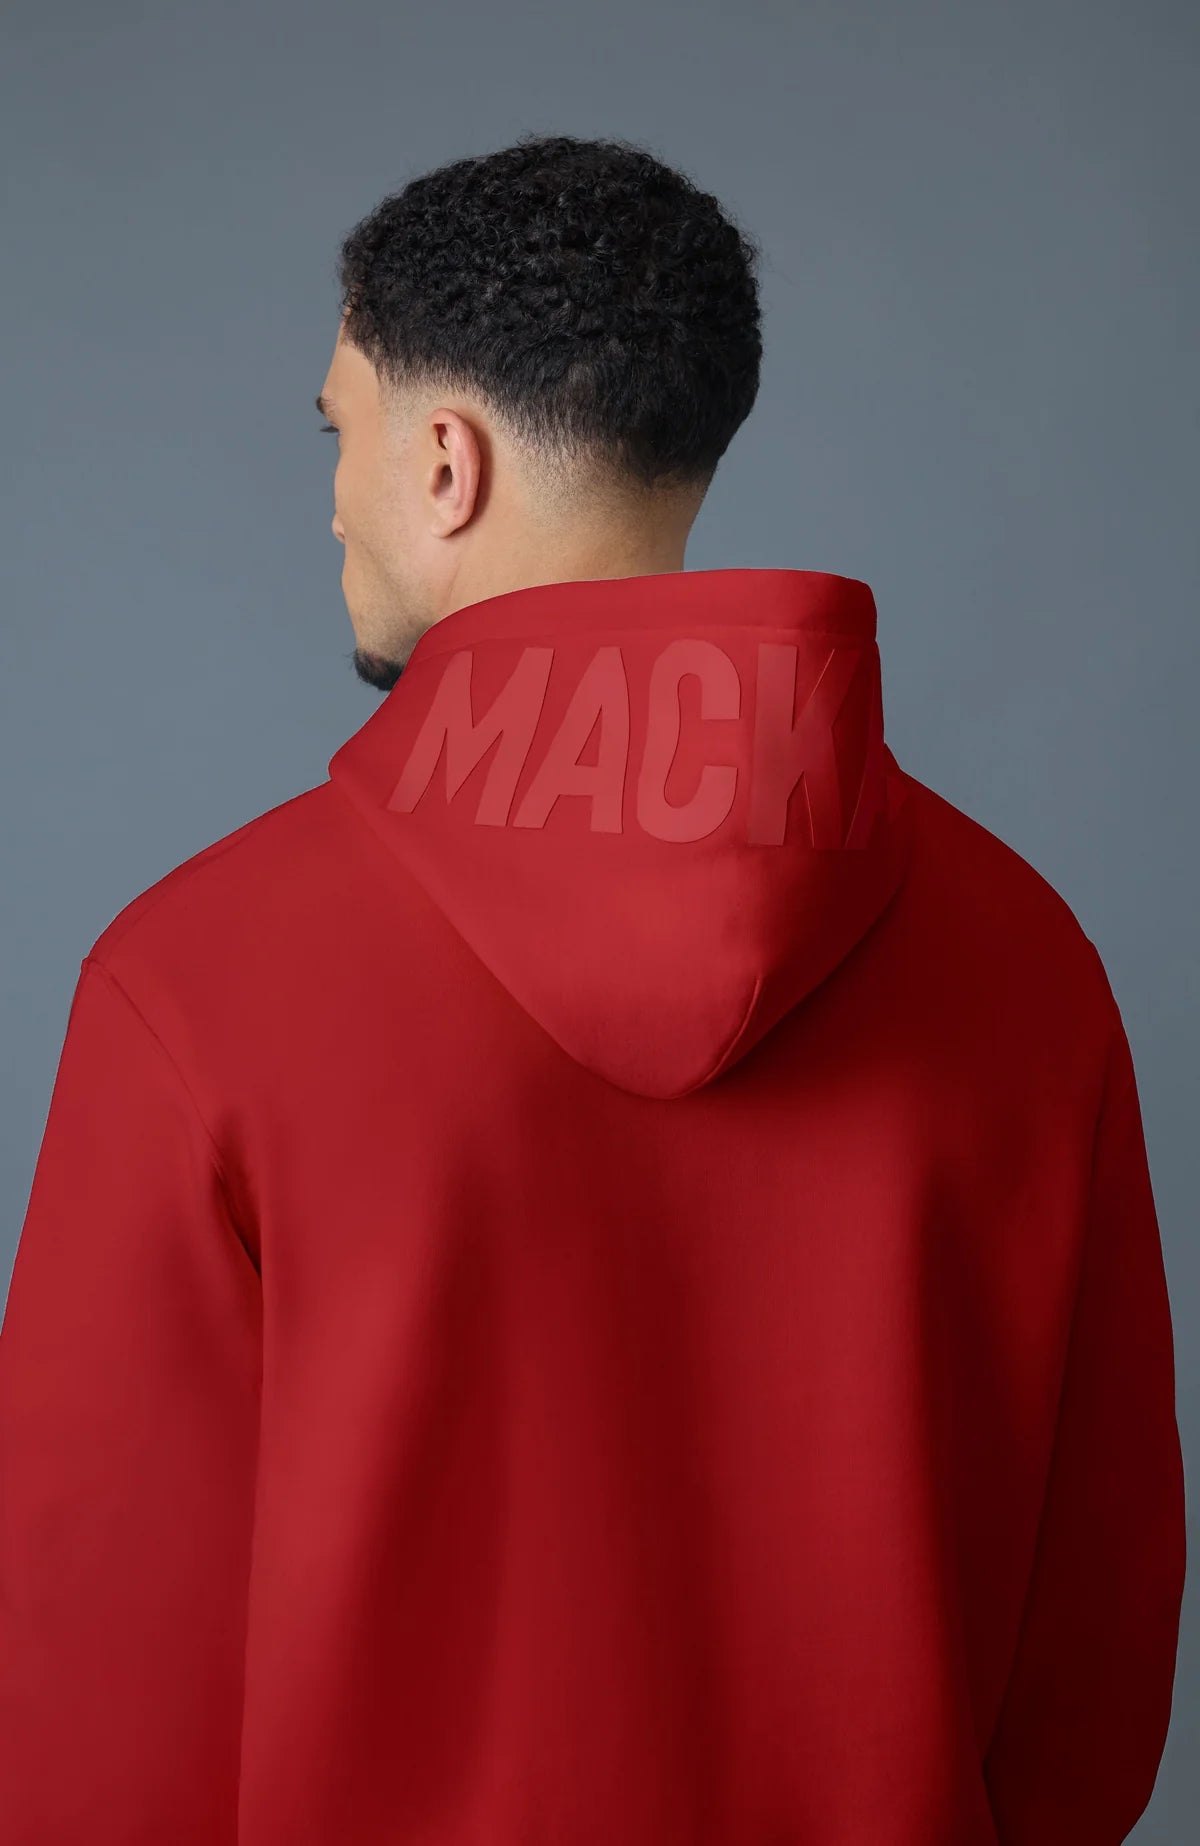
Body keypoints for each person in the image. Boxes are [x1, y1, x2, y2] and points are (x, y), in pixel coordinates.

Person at [0, 131, 1185, 1845]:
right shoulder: (1028, 963)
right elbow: (1096, 1667)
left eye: (339, 435)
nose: (330, 500)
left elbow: (91, 1708)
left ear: (446, 462)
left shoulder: (191, 980)